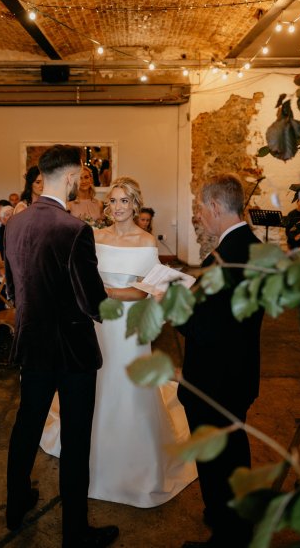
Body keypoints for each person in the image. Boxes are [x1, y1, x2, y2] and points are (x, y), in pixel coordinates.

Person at [41, 176, 197, 507]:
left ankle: (132, 460)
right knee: (95, 380)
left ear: (135, 204)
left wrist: (108, 291)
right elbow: (81, 276)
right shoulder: (95, 236)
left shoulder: (146, 241)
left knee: (127, 381)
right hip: (97, 323)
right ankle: (90, 450)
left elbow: (146, 288)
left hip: (128, 325)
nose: (118, 207)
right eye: (112, 201)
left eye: (124, 200)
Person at [4, 145, 119, 548]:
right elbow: (94, 301)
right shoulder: (73, 229)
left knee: (26, 426)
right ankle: (75, 531)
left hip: (32, 345)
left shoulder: (14, 225)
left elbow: (14, 290)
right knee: (75, 438)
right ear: (72, 178)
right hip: (71, 352)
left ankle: (14, 506)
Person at [177, 173, 264, 548]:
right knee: (232, 452)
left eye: (200, 207)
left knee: (219, 462)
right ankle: (230, 520)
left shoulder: (230, 256)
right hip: (237, 373)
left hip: (216, 380)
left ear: (215, 206)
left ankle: (228, 537)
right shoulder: (250, 246)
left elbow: (209, 328)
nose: (199, 215)